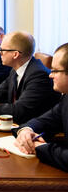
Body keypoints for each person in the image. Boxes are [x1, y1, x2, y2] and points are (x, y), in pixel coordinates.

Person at [13, 43, 68, 171]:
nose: (50, 75)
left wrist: (39, 147)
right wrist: (26, 130)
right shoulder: (66, 98)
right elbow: (44, 120)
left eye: (55, 70)